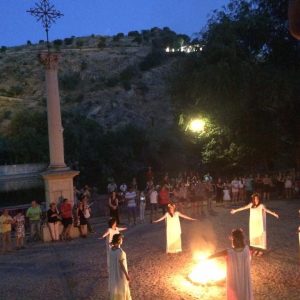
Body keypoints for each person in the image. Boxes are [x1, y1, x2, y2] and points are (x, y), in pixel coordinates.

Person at [209, 229, 253, 300]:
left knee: (235, 294)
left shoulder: (229, 252)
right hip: (245, 280)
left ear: (233, 240)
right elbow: (260, 250)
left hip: (234, 280)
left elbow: (217, 254)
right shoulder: (248, 249)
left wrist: (208, 257)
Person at [109, 233, 131, 300]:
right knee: (122, 287)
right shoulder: (120, 251)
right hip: (120, 274)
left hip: (113, 273)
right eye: (121, 238)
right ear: (119, 240)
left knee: (116, 288)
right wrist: (127, 275)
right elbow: (122, 265)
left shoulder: (111, 250)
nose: (122, 240)